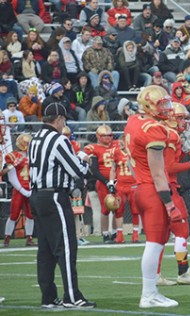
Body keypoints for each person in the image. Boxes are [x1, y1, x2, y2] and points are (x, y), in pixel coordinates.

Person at [28, 102, 95, 309]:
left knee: (46, 249)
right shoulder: (58, 140)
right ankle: (72, 296)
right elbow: (77, 170)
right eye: (63, 120)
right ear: (58, 119)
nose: (64, 123)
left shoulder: (35, 139)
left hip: (37, 195)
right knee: (66, 247)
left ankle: (48, 297)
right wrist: (85, 160)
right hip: (54, 196)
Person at [123, 84, 179, 308]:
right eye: (162, 104)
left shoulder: (133, 121)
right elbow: (158, 173)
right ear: (148, 105)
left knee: (156, 242)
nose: (166, 107)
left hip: (141, 187)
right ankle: (148, 294)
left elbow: (131, 160)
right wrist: (169, 204)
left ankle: (150, 292)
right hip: (153, 191)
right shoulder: (152, 129)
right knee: (155, 244)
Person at [159, 102, 190, 285]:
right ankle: (183, 272)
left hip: (164, 186)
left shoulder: (166, 133)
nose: (184, 122)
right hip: (168, 187)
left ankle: (158, 274)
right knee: (181, 229)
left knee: (161, 235)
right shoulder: (170, 136)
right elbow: (170, 167)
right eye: (181, 118)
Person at [84, 125, 119, 243]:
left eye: (109, 135)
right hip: (103, 183)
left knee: (117, 208)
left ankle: (115, 232)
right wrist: (106, 182)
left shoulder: (118, 145)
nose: (108, 138)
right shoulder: (93, 148)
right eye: (104, 136)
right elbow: (94, 169)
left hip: (117, 181)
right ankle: (105, 234)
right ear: (98, 137)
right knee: (106, 209)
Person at [3, 133, 35, 247]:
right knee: (14, 214)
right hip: (19, 189)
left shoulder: (33, 155)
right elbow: (11, 177)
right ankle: (7, 238)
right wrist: (22, 190)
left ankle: (29, 238)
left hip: (30, 188)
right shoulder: (13, 156)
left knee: (31, 215)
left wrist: (31, 188)